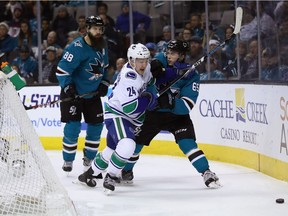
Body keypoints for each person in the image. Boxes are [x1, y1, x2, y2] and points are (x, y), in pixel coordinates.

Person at [121, 39, 221, 188]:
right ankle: (126, 170)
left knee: (187, 144)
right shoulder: (160, 60)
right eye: (167, 52)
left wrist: (170, 102)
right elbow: (153, 64)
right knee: (136, 143)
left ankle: (206, 172)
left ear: (181, 56)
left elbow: (187, 104)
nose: (168, 55)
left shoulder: (191, 75)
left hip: (176, 116)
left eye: (173, 53)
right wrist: (155, 66)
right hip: (152, 113)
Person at [78, 43, 158, 192]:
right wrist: (148, 99)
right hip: (118, 114)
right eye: (140, 61)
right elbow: (130, 108)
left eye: (146, 60)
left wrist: (153, 92)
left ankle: (89, 174)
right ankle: (111, 175)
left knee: (111, 149)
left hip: (127, 117)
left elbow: (150, 82)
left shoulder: (145, 68)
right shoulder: (129, 76)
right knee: (128, 145)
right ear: (131, 60)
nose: (144, 64)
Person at [56, 16, 110, 173]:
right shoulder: (76, 47)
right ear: (87, 29)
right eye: (95, 29)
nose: (98, 32)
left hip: (92, 95)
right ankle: (68, 159)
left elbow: (105, 68)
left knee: (96, 126)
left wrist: (104, 83)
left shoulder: (103, 45)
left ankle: (90, 157)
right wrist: (68, 88)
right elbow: (61, 70)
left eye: (100, 29)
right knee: (73, 127)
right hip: (74, 95)